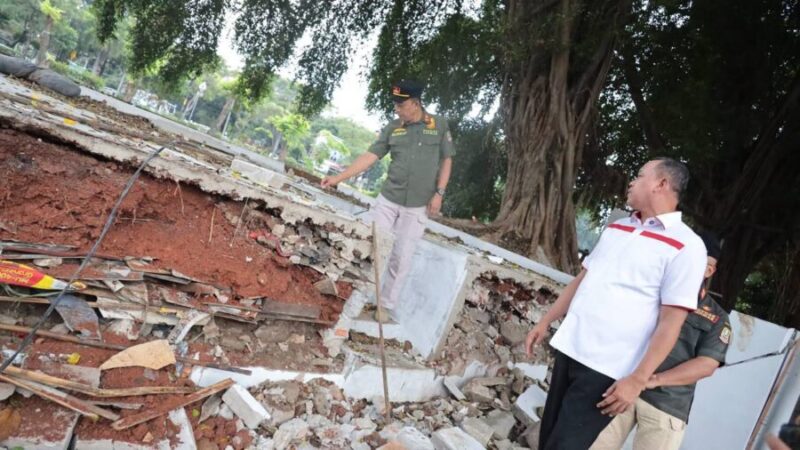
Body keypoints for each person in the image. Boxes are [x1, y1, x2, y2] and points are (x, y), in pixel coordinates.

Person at [525, 158, 707, 450]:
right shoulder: (618, 228)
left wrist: (637, 380)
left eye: (639, 175)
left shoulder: (687, 246)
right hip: (571, 349)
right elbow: (582, 281)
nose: (631, 182)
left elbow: (671, 322)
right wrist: (546, 321)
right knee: (549, 438)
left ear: (661, 184)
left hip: (607, 369)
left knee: (565, 445)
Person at [321, 79, 455, 321]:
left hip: (418, 205)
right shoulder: (393, 128)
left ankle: (384, 306)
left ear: (415, 104)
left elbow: (447, 160)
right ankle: (355, 296)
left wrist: (440, 193)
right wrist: (338, 178)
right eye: (395, 104)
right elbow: (370, 156)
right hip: (389, 199)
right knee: (372, 246)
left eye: (401, 105)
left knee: (401, 256)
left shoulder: (439, 125)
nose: (397, 109)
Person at [590, 232, 731, 450]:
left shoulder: (717, 317)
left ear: (709, 270)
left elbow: (706, 365)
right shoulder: (653, 293)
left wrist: (652, 380)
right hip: (622, 387)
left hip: (667, 405)